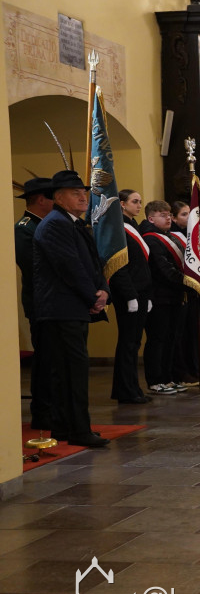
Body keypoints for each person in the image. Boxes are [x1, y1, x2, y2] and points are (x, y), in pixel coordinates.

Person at [33, 170, 110, 446]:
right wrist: (92, 297)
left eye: (84, 193)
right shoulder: (55, 224)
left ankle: (66, 428)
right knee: (70, 371)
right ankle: (77, 430)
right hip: (61, 308)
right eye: (75, 193)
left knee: (69, 371)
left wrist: (103, 290)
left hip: (73, 306)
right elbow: (69, 266)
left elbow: (94, 262)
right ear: (58, 198)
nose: (83, 197)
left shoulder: (74, 223)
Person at [14, 177, 54, 429]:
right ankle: (42, 411)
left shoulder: (47, 225)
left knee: (56, 358)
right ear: (40, 199)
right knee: (45, 358)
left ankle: (55, 407)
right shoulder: (25, 228)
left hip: (54, 301)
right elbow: (33, 267)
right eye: (53, 197)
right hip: (41, 301)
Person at [109, 189, 153, 404]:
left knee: (134, 343)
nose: (139, 205)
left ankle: (132, 387)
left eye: (140, 201)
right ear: (122, 204)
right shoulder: (118, 229)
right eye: (134, 201)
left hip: (140, 292)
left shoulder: (133, 226)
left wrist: (147, 294)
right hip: (129, 294)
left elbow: (141, 264)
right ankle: (127, 390)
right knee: (128, 343)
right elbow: (118, 266)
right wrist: (129, 295)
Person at [140, 200, 187, 395]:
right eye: (163, 215)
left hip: (174, 295)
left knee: (171, 339)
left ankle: (168, 378)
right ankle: (155, 380)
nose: (168, 218)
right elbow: (163, 269)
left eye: (169, 215)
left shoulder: (169, 236)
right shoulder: (151, 239)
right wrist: (187, 281)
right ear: (151, 219)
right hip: (160, 297)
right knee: (157, 339)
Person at [171, 200, 200, 384]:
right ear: (174, 218)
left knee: (192, 333)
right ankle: (183, 372)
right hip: (181, 289)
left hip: (192, 290)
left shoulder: (189, 234)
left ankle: (194, 369)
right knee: (182, 335)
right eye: (184, 214)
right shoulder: (173, 236)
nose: (189, 217)